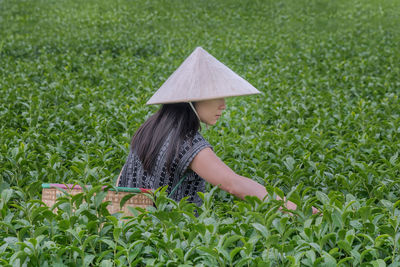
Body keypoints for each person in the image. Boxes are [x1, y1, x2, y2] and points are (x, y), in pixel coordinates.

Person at [117, 47, 315, 213]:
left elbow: (121, 179)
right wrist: (296, 210)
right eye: (216, 96)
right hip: (168, 241)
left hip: (134, 231)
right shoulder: (187, 143)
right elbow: (232, 184)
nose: (223, 105)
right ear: (191, 99)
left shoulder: (149, 129)